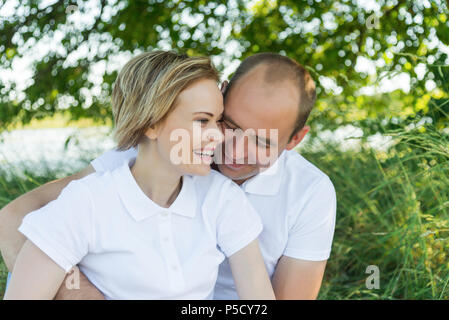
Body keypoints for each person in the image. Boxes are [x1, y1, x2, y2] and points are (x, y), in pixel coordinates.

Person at [0, 52, 336, 300]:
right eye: (227, 124)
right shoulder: (137, 161)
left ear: (295, 140)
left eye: (262, 141)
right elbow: (12, 218)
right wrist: (81, 293)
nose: (230, 148)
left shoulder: (304, 193)